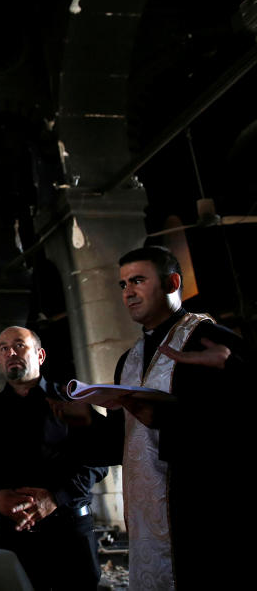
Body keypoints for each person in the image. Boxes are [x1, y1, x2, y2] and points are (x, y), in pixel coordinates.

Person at [84, 246, 252, 589]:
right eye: (122, 285)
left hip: (201, 508)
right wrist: (83, 419)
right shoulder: (127, 360)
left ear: (172, 282)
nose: (128, 292)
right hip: (146, 518)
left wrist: (169, 420)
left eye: (138, 280)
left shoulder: (211, 341)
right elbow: (123, 442)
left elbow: (238, 422)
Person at [0, 326, 106, 591]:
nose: (10, 352)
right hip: (14, 536)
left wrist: (54, 497)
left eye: (19, 345)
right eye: (3, 348)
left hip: (69, 534)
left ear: (40, 355)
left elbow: (98, 460)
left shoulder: (70, 399)